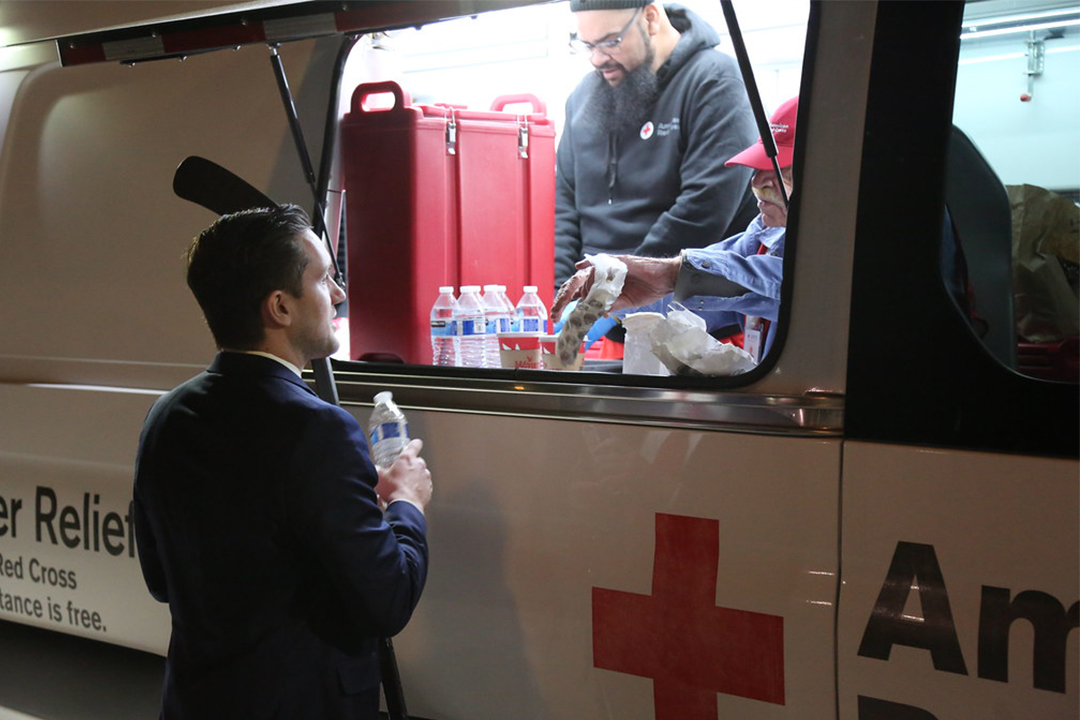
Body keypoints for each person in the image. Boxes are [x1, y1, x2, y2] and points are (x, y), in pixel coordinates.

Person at [133, 204, 432, 719]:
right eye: (324, 280)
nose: (339, 295)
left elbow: (162, 580)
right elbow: (388, 600)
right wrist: (406, 503)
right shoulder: (319, 429)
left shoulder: (167, 414)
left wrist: (351, 497)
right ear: (280, 307)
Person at [553, 96, 798, 364]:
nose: (757, 181)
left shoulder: (845, 251)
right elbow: (700, 287)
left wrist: (669, 273)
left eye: (781, 170)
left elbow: (797, 285)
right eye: (758, 168)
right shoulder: (767, 233)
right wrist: (610, 292)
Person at [554, 0, 759, 291]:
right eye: (587, 45)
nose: (597, 59)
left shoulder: (713, 80)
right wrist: (561, 293)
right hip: (593, 305)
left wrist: (618, 289)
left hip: (684, 311)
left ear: (650, 18)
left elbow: (704, 209)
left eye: (610, 42)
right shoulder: (582, 97)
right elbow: (563, 206)